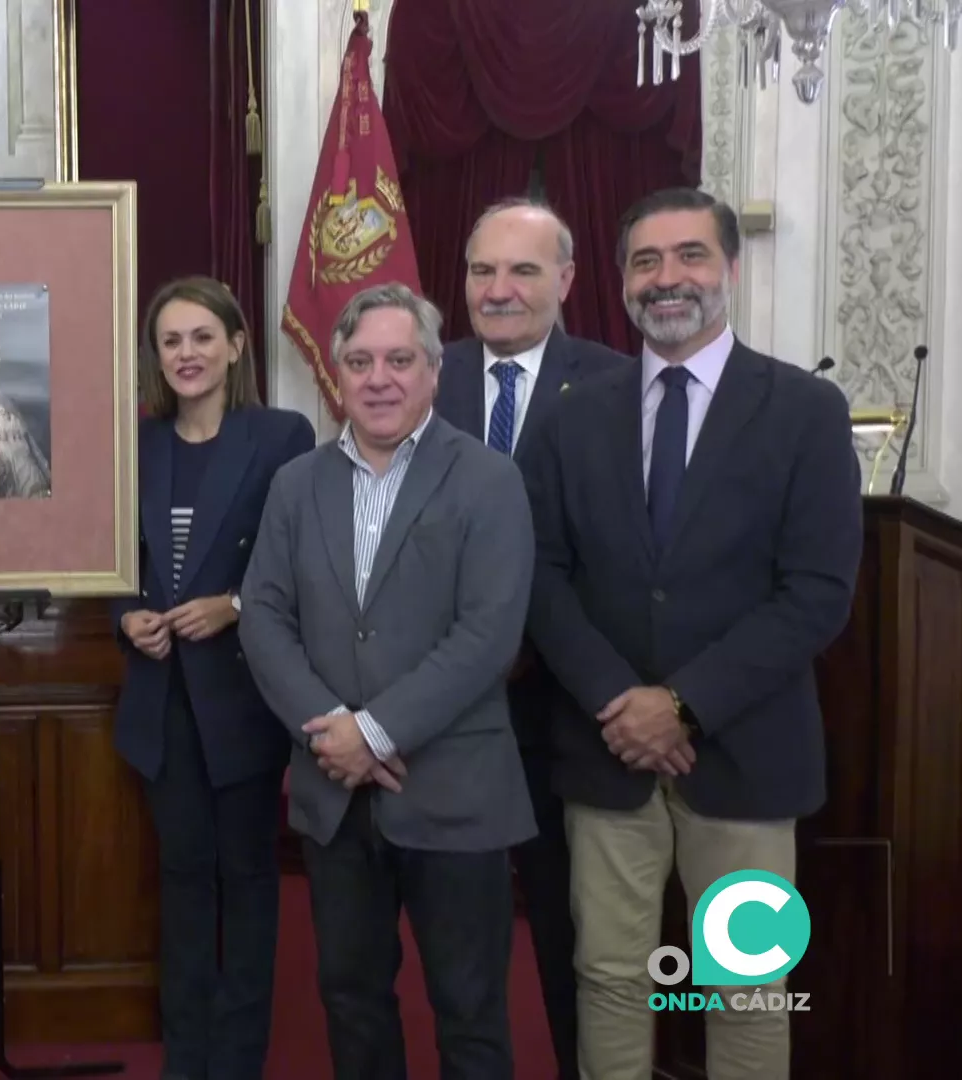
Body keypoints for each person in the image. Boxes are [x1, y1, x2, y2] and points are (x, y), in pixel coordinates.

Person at [521, 187, 862, 1080]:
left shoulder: (805, 411)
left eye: (690, 256)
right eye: (646, 261)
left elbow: (817, 594)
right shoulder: (567, 416)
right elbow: (543, 579)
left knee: (745, 990)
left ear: (729, 270)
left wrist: (684, 705)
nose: (668, 279)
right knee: (609, 980)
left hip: (747, 757)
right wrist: (620, 703)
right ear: (621, 281)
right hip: (608, 756)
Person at [239, 282, 535, 1079]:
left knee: (471, 1014)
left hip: (455, 794)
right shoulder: (297, 484)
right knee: (351, 1001)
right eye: (361, 361)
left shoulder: (489, 480)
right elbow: (263, 617)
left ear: (435, 372)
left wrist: (373, 732)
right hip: (335, 796)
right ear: (336, 373)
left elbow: (488, 636)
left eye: (400, 360)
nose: (379, 378)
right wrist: (333, 729)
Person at [434, 197, 627, 1080]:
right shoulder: (420, 378)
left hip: (574, 714)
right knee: (462, 953)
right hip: (450, 716)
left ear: (567, 281)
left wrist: (542, 646)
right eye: (482, 271)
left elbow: (623, 555)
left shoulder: (620, 386)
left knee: (574, 938)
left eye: (522, 271)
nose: (499, 290)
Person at [110, 276, 314, 1080]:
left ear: (235, 345)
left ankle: (238, 1060)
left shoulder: (282, 436)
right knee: (183, 881)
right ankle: (185, 1057)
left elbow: (298, 558)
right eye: (171, 341)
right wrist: (127, 612)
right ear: (155, 357)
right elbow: (111, 561)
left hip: (242, 700)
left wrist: (233, 603)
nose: (187, 354)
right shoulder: (139, 442)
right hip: (162, 705)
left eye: (202, 337)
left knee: (249, 882)